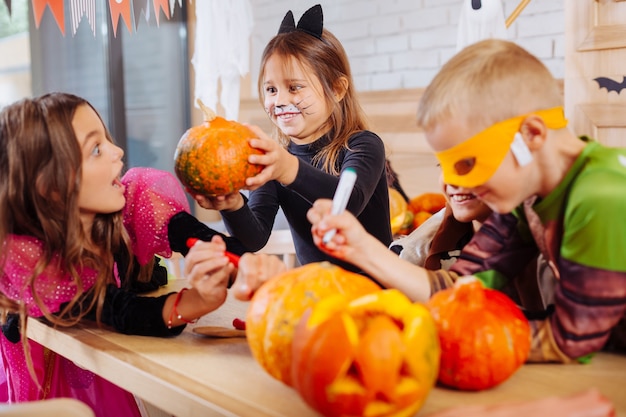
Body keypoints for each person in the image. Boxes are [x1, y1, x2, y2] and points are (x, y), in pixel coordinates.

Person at [306, 39, 626, 363]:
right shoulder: (527, 194)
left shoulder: (599, 197)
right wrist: (361, 247)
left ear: (530, 135)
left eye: (468, 163)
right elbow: (461, 289)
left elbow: (571, 339)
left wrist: (451, 337)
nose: (454, 183)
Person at [0, 92, 282, 416]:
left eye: (106, 140)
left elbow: (213, 245)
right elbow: (118, 310)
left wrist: (241, 256)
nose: (117, 151)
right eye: (96, 149)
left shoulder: (133, 200)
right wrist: (194, 303)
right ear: (50, 187)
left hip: (108, 367)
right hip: (51, 388)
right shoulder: (31, 258)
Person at [193, 4, 392, 274]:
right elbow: (256, 237)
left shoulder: (363, 145)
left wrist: (288, 169)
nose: (280, 101)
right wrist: (233, 205)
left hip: (377, 295)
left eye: (294, 87)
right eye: (271, 89)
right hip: (317, 293)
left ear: (337, 88)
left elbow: (349, 202)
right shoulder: (275, 159)